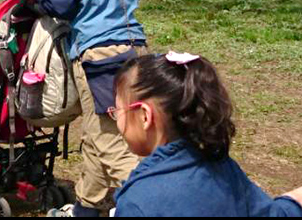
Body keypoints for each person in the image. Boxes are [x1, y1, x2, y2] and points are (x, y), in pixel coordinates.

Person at [14, 0, 148, 218]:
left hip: (98, 55)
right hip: (135, 48)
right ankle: (85, 211)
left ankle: (151, 205)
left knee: (111, 142)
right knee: (96, 132)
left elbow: (61, 4)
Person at [111, 53, 302, 217]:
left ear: (145, 115)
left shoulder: (138, 201)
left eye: (117, 111)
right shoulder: (222, 167)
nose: (116, 118)